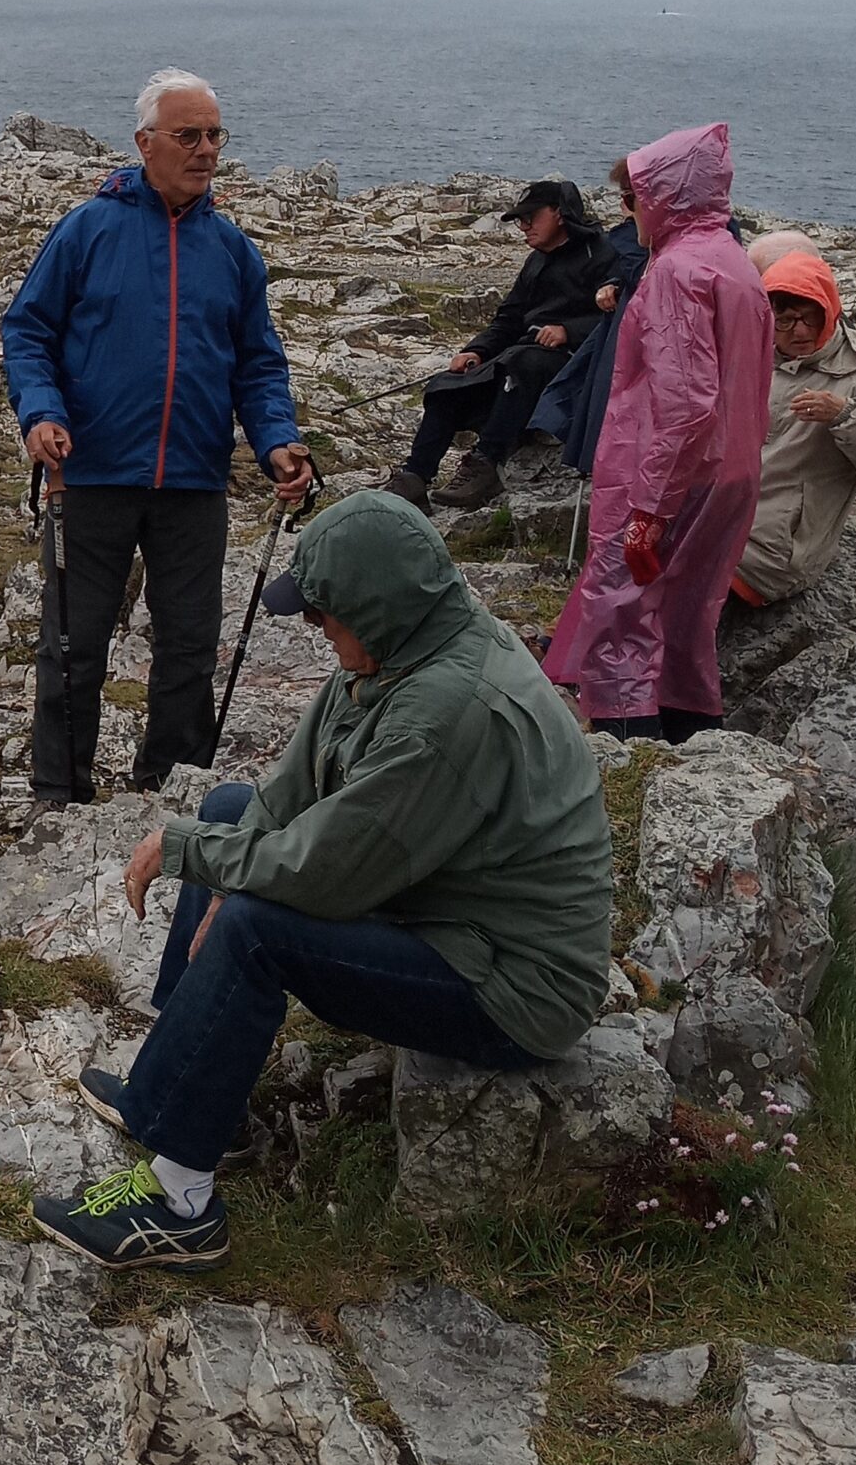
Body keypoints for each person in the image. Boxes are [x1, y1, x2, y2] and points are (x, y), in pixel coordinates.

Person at [30, 492, 611, 1270]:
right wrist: (219, 848)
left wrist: (194, 857)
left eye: (323, 615)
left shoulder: (446, 712)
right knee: (232, 813)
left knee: (254, 928)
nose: (315, 630)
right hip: (448, 913)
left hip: (511, 986)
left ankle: (180, 1201)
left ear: (374, 606)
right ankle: (192, 1090)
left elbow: (326, 877)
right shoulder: (406, 644)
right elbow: (288, 792)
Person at [0, 69, 311, 805]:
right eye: (188, 136)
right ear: (145, 144)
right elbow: (27, 330)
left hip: (194, 481)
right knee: (74, 647)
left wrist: (276, 442)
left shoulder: (234, 252)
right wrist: (41, 413)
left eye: (214, 136)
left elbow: (259, 365)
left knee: (190, 649)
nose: (205, 151)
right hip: (92, 474)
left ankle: (170, 790)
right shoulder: (87, 230)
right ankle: (59, 792)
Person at [543, 124, 772, 742]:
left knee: (623, 604)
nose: (630, 212)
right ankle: (689, 724)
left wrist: (648, 509)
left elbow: (686, 403)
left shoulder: (677, 271)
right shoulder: (735, 262)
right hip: (731, 469)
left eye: (634, 197)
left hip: (667, 469)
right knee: (691, 603)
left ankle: (627, 741)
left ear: (665, 196)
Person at [384, 179, 611, 511]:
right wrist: (477, 350)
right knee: (446, 387)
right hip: (520, 361)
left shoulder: (602, 253)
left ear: (559, 214)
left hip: (571, 364)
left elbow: (620, 316)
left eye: (531, 217)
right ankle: (415, 477)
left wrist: (568, 331)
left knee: (522, 365)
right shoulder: (536, 261)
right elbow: (508, 319)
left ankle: (486, 463)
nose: (524, 227)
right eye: (521, 219)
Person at [731, 242, 856, 607]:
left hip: (774, 550)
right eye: (787, 320)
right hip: (721, 520)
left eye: (812, 317)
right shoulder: (753, 352)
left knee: (676, 590)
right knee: (635, 551)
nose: (800, 331)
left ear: (832, 312)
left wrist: (846, 414)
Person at [533, 155, 652, 476]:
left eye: (630, 197)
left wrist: (568, 331)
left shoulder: (625, 243)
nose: (624, 206)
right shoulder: (627, 243)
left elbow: (639, 274)